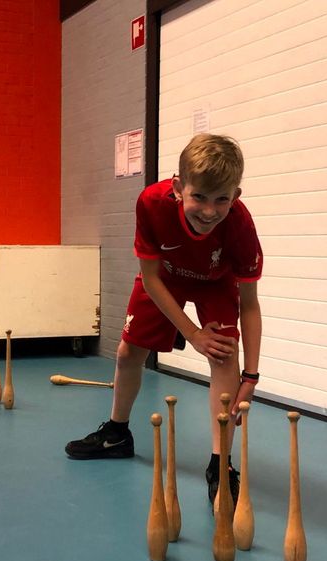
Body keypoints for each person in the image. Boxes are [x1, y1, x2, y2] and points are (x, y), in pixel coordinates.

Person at [65, 133, 263, 505]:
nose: (209, 211)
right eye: (199, 197)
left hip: (216, 284)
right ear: (177, 188)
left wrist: (250, 375)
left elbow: (249, 305)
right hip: (166, 277)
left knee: (224, 354)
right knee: (127, 354)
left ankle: (221, 465)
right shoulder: (151, 204)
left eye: (222, 199)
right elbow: (151, 278)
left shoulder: (240, 227)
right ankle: (118, 433)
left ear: (235, 196)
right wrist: (190, 333)